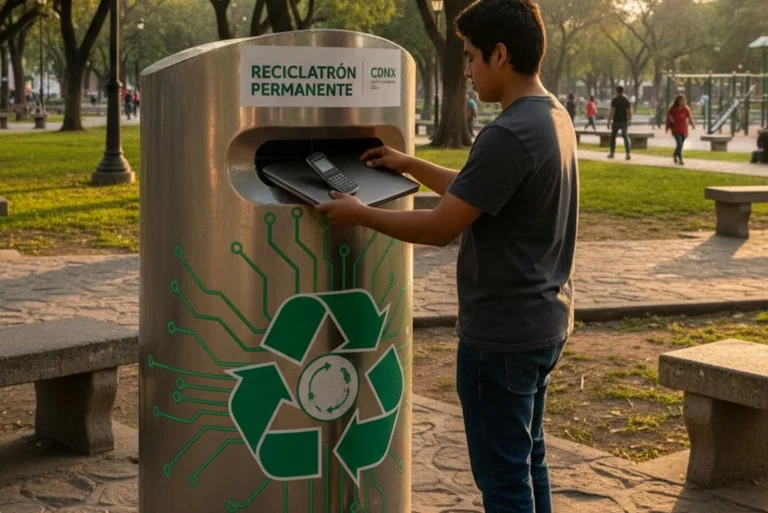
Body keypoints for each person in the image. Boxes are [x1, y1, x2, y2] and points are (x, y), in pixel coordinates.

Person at [316, 1, 577, 511]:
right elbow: (477, 191)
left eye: (472, 57)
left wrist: (360, 214)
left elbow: (440, 227)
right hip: (543, 322)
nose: (467, 70)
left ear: (500, 55)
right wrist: (409, 164)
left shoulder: (507, 133)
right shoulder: (551, 116)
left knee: (504, 480)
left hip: (501, 337)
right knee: (528, 460)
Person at [666, 94, 695, 165]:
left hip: (683, 129)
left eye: (683, 100)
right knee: (679, 144)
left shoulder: (686, 109)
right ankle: (680, 159)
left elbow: (690, 118)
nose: (682, 102)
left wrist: (692, 124)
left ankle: (675, 154)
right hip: (675, 129)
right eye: (680, 100)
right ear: (677, 101)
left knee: (680, 145)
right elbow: (669, 116)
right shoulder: (673, 108)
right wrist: (670, 122)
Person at [607, 85, 632, 160]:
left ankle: (612, 153)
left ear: (617, 91)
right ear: (623, 91)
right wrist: (630, 120)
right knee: (626, 137)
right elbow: (629, 111)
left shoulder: (614, 100)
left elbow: (612, 111)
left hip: (616, 121)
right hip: (624, 121)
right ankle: (628, 153)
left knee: (613, 138)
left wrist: (609, 121)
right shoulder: (626, 100)